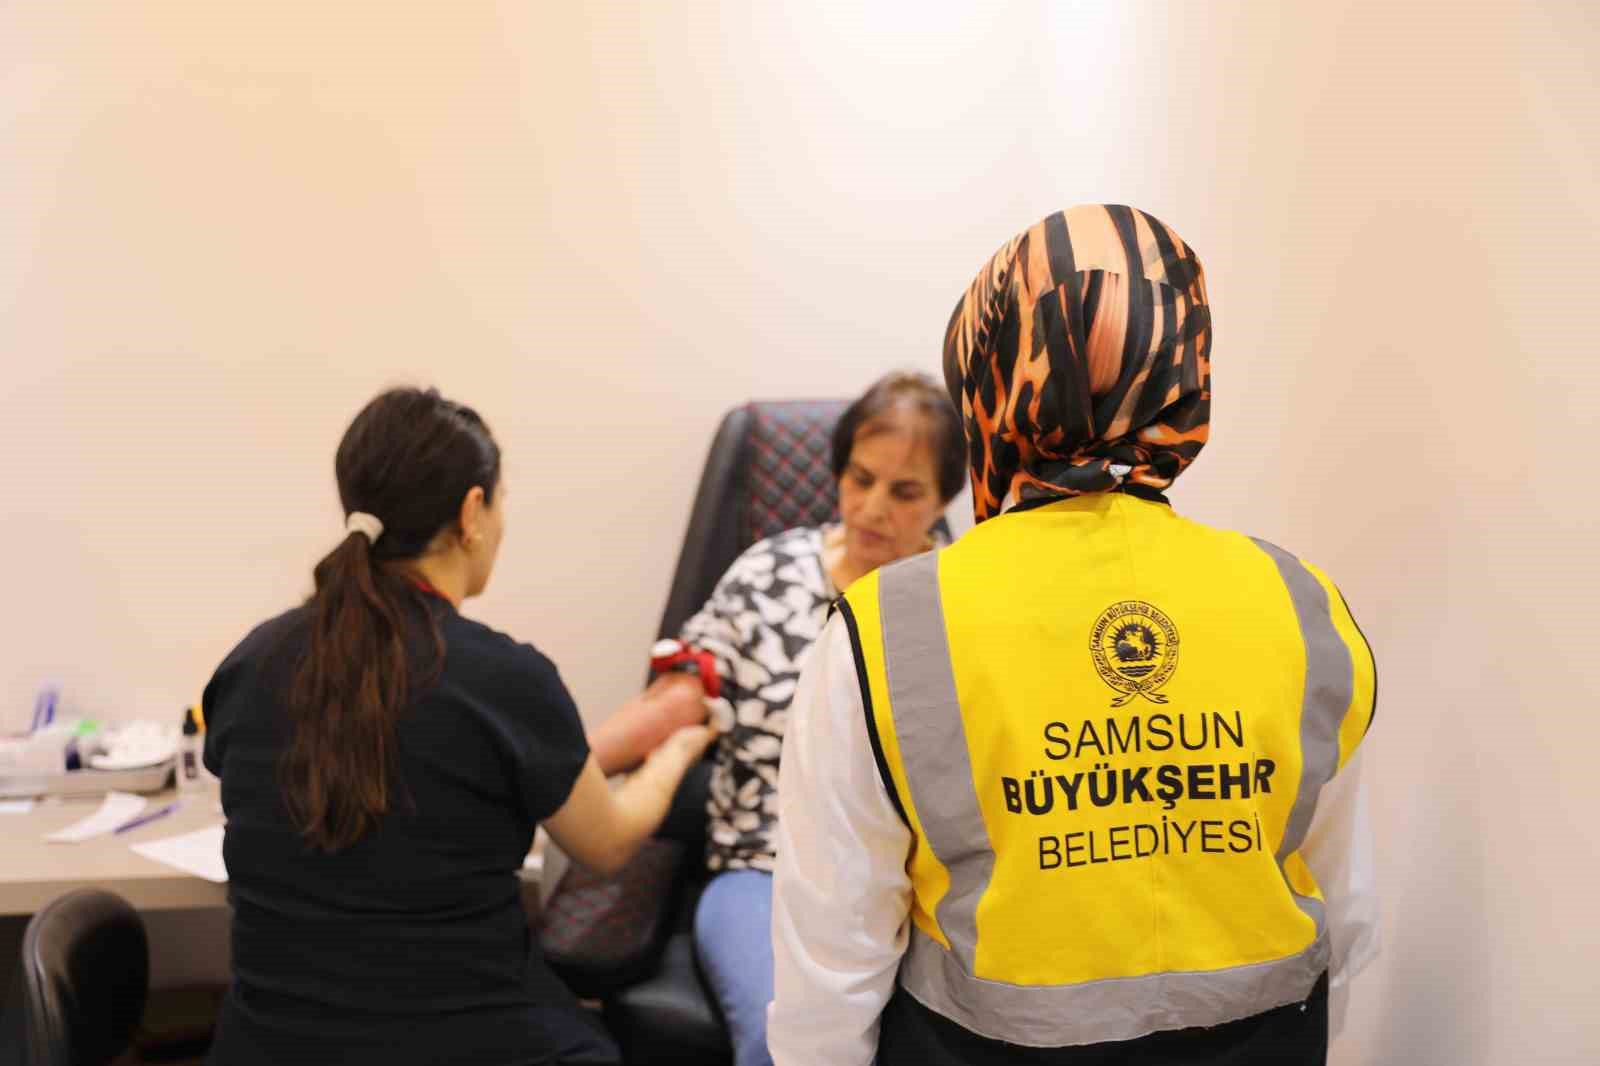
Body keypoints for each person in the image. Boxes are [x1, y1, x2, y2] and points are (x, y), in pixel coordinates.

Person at [769, 205, 1379, 1065]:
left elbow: (830, 972)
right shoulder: (1302, 601)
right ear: (1183, 371)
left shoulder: (886, 629)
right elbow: (1346, 914)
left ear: (989, 378)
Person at [201, 387, 714, 1066]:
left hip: (266, 1047)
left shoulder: (250, 663)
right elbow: (609, 841)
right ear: (473, 511)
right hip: (472, 1041)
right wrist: (678, 749)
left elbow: (409, 767)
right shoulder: (504, 678)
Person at [679, 371, 967, 1066]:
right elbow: (677, 697)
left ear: (942, 500)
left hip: (923, 887)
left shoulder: (961, 601)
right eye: (859, 479)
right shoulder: (767, 574)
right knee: (779, 1043)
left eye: (904, 492)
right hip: (764, 870)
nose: (871, 507)